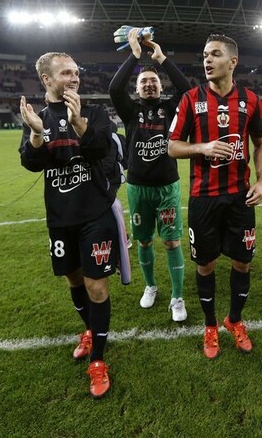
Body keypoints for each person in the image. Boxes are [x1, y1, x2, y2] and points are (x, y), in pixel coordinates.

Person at [19, 52, 119, 398]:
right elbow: (31, 163)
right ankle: (90, 329)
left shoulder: (95, 112)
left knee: (97, 286)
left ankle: (98, 360)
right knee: (73, 280)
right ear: (46, 80)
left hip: (95, 214)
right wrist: (36, 134)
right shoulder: (37, 118)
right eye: (66, 73)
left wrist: (79, 123)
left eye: (76, 72)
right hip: (60, 218)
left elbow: (103, 149)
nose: (75, 78)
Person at [168, 34, 262, 359]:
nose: (207, 60)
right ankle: (210, 325)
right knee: (206, 264)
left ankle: (234, 320)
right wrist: (203, 147)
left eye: (214, 54)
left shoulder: (251, 100)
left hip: (240, 197)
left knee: (242, 262)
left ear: (232, 62)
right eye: (205, 55)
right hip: (204, 198)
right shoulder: (190, 99)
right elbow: (172, 146)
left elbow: (260, 143)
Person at [109, 29, 191, 322]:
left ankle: (177, 297)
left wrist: (162, 59)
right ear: (138, 88)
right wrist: (134, 56)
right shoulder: (130, 111)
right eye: (143, 82)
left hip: (167, 187)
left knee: (171, 242)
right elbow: (115, 89)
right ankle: (150, 286)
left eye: (153, 81)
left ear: (160, 86)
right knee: (143, 242)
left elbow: (186, 90)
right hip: (138, 188)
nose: (148, 85)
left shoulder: (170, 108)